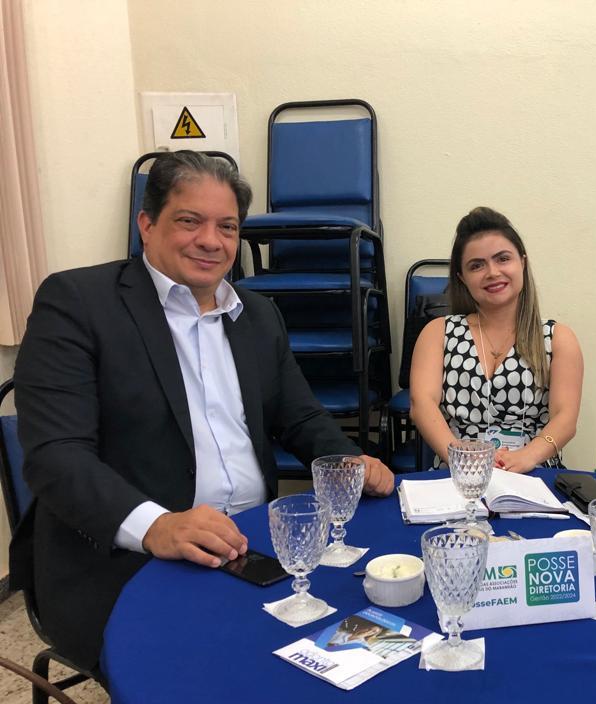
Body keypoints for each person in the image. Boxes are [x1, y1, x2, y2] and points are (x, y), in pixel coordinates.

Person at [10, 150, 394, 674]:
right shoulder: (77, 302)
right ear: (147, 225)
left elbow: (301, 417)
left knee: (373, 629)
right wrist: (156, 526)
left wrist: (346, 460)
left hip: (255, 545)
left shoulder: (258, 314)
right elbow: (56, 455)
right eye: (190, 221)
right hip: (132, 558)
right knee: (225, 678)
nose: (211, 241)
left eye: (227, 227)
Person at [409, 207, 583, 472]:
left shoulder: (558, 338)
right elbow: (422, 405)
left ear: (522, 263)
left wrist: (527, 457)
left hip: (533, 472)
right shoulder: (437, 333)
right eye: (476, 265)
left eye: (503, 259)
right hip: (458, 471)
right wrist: (461, 456)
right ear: (462, 278)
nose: (492, 272)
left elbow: (565, 418)